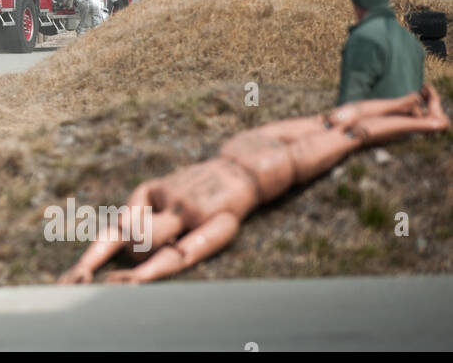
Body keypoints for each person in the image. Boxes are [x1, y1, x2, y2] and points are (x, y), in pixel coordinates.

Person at [57, 85, 449, 284]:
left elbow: (119, 223)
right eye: (138, 237)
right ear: (155, 244)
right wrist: (140, 276)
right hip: (279, 167)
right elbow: (185, 255)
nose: (132, 226)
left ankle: (405, 101)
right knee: (354, 134)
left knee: (328, 120)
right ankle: (431, 121)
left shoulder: (157, 195)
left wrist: (85, 265)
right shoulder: (218, 220)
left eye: (133, 229)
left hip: (244, 146)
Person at [338, 0, 426, 105]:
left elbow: (350, 102)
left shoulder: (363, 39)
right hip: (411, 123)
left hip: (374, 123)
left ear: (358, 5)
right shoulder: (412, 41)